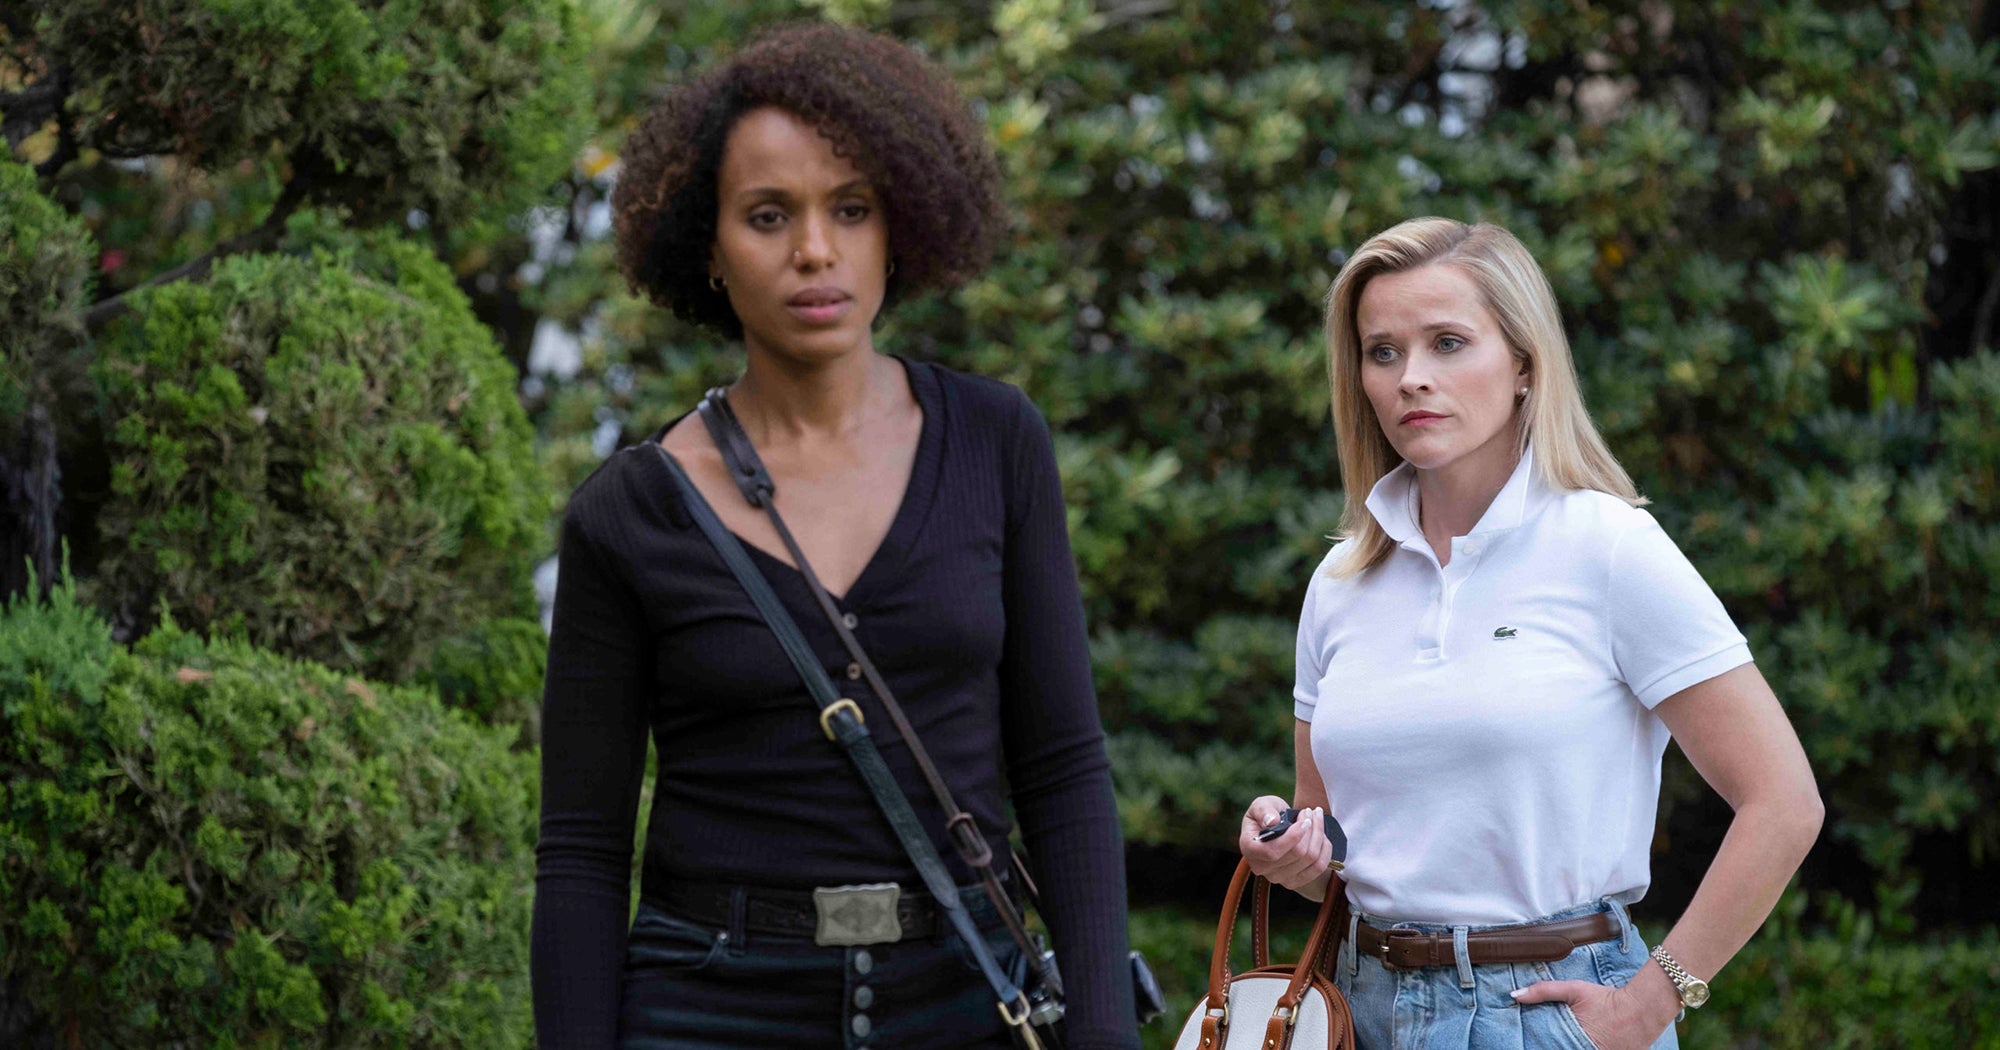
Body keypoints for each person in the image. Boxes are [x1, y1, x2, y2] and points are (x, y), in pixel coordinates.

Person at [531, 23, 1139, 1050]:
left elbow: (1064, 767)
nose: (814, 250)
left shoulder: (995, 442)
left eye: (850, 209)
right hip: (707, 1010)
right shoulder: (626, 514)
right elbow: (584, 851)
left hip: (965, 998)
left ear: (898, 226)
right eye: (768, 215)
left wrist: (1104, 1032)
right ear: (708, 246)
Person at [1237, 218, 1822, 1050]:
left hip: (1546, 1012)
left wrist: (1650, 1002)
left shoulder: (1608, 547)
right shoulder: (1341, 580)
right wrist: (1288, 847)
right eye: (1383, 352)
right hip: (1356, 1010)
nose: (1412, 377)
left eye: (1447, 343)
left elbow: (1784, 803)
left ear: (1523, 364)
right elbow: (1327, 838)